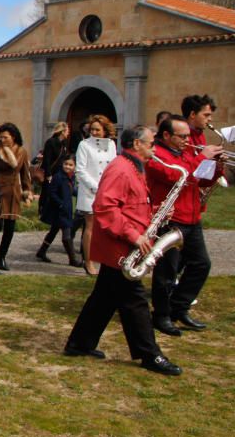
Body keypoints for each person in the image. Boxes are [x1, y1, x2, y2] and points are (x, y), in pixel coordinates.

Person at [63, 125, 181, 376]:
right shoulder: (120, 169)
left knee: (104, 297)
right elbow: (105, 208)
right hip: (120, 247)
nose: (154, 147)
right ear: (136, 144)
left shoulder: (134, 169)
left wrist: (157, 211)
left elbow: (129, 205)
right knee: (135, 301)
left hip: (124, 244)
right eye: (151, 143)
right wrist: (134, 236)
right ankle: (150, 354)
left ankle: (79, 344)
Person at [147, 114, 220, 336]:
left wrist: (216, 167)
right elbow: (176, 175)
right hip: (170, 219)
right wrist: (201, 158)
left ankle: (179, 307)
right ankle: (160, 315)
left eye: (188, 136)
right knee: (166, 271)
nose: (187, 140)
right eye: (182, 136)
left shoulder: (187, 152)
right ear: (166, 135)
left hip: (192, 217)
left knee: (201, 265)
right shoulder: (156, 155)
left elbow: (200, 180)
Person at [0, 122, 33, 271]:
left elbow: (25, 174)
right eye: (0, 137)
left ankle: (2, 258)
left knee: (10, 228)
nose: (2, 140)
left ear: (13, 137)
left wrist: (27, 190)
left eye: (5, 137)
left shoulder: (22, 152)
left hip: (13, 193)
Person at [75, 114, 117, 274]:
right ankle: (88, 261)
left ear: (105, 130)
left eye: (97, 129)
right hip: (90, 191)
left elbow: (113, 166)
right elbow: (80, 170)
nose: (94, 132)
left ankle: (105, 258)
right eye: (92, 129)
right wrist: (96, 187)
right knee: (90, 226)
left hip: (108, 189)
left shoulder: (111, 144)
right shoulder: (84, 145)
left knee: (107, 226)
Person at [37, 157, 82, 266]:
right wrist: (60, 204)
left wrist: (82, 193)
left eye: (70, 165)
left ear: (74, 167)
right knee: (67, 236)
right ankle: (72, 259)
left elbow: (71, 190)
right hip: (60, 210)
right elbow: (52, 193)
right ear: (62, 164)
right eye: (66, 164)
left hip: (65, 209)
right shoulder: (58, 177)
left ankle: (42, 251)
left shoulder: (70, 178)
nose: (67, 166)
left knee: (53, 231)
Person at [40, 122, 70, 208]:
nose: (68, 133)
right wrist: (48, 174)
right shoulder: (51, 142)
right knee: (47, 191)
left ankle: (54, 208)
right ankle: (43, 209)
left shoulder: (64, 143)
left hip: (60, 172)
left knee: (56, 191)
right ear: (62, 131)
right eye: (67, 131)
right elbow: (47, 159)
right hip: (51, 171)